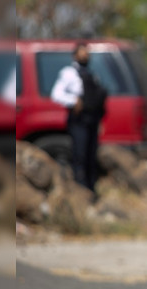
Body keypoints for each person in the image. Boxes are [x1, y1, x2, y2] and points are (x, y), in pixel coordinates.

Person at [50, 42, 107, 194]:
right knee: (79, 154)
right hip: (78, 120)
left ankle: (91, 189)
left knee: (91, 155)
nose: (85, 56)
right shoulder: (69, 73)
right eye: (82, 54)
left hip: (92, 120)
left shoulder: (92, 74)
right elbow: (56, 94)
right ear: (75, 56)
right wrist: (73, 100)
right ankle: (79, 189)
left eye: (87, 54)